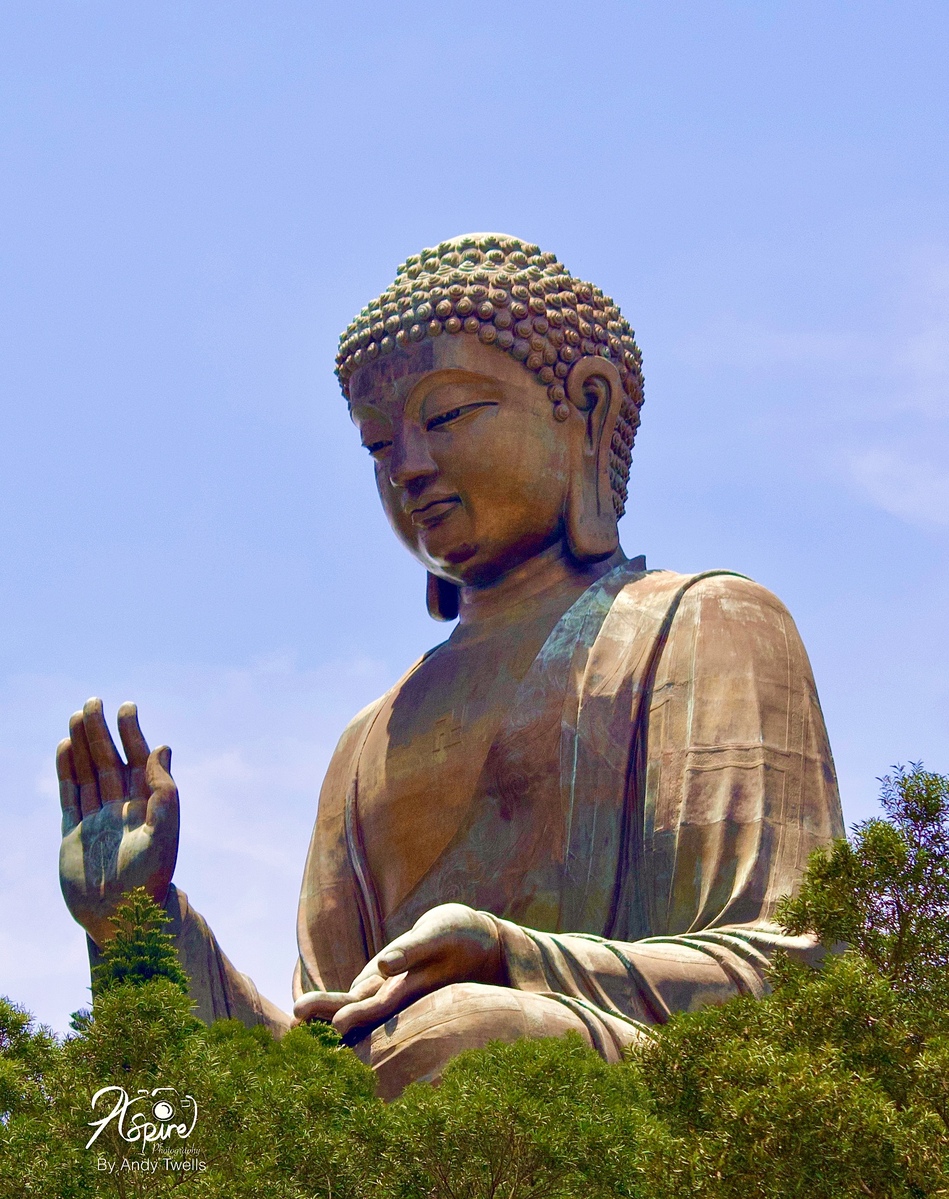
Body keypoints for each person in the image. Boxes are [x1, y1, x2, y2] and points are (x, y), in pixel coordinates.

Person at [58, 234, 844, 1098]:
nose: (408, 467)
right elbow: (324, 1071)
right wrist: (137, 927)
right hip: (416, 1100)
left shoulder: (705, 625)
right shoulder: (369, 740)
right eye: (377, 445)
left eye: (445, 417)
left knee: (463, 1031)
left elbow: (799, 978)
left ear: (586, 406)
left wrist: (512, 959)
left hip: (642, 1101)